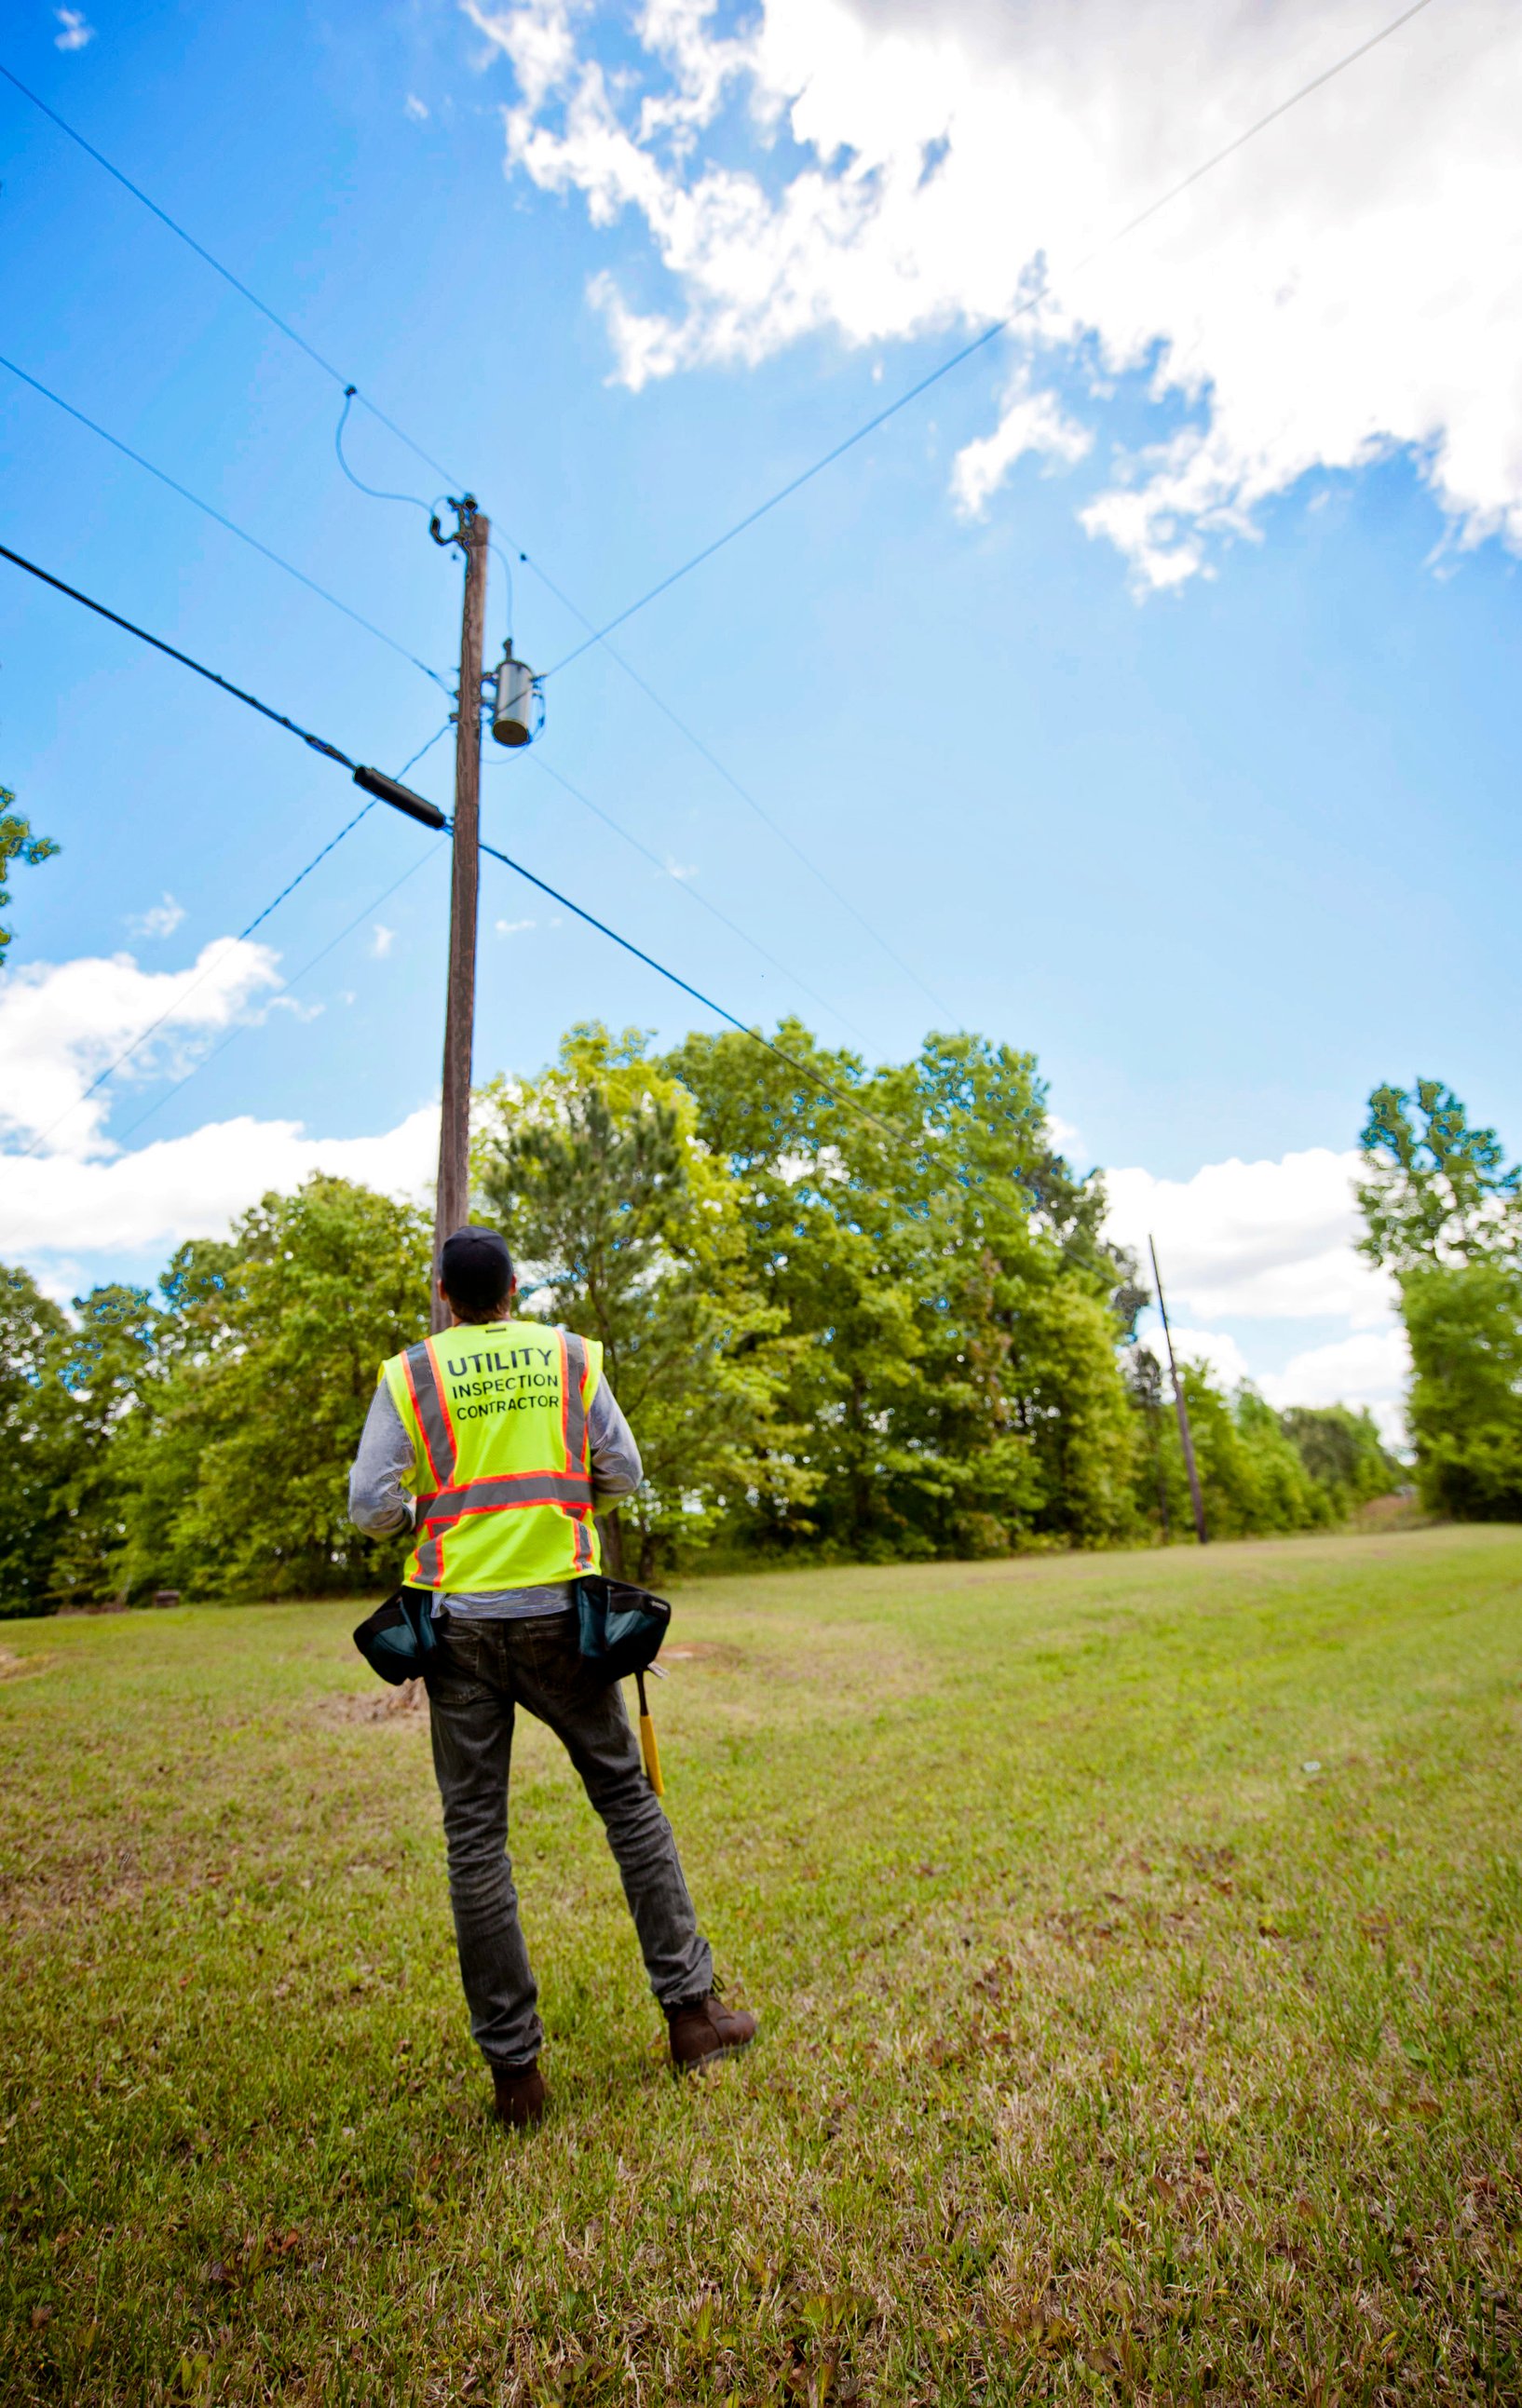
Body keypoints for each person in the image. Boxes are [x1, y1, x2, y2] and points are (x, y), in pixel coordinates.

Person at [347, 1223, 755, 2128]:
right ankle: (692, 2017)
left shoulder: (411, 1373)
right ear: (516, 1292)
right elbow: (625, 1471)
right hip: (561, 1625)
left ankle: (516, 2081)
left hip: (455, 1630)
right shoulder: (569, 1358)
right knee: (627, 1802)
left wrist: (428, 1506)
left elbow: (371, 1507)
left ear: (446, 1297)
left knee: (475, 1843)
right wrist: (567, 1494)